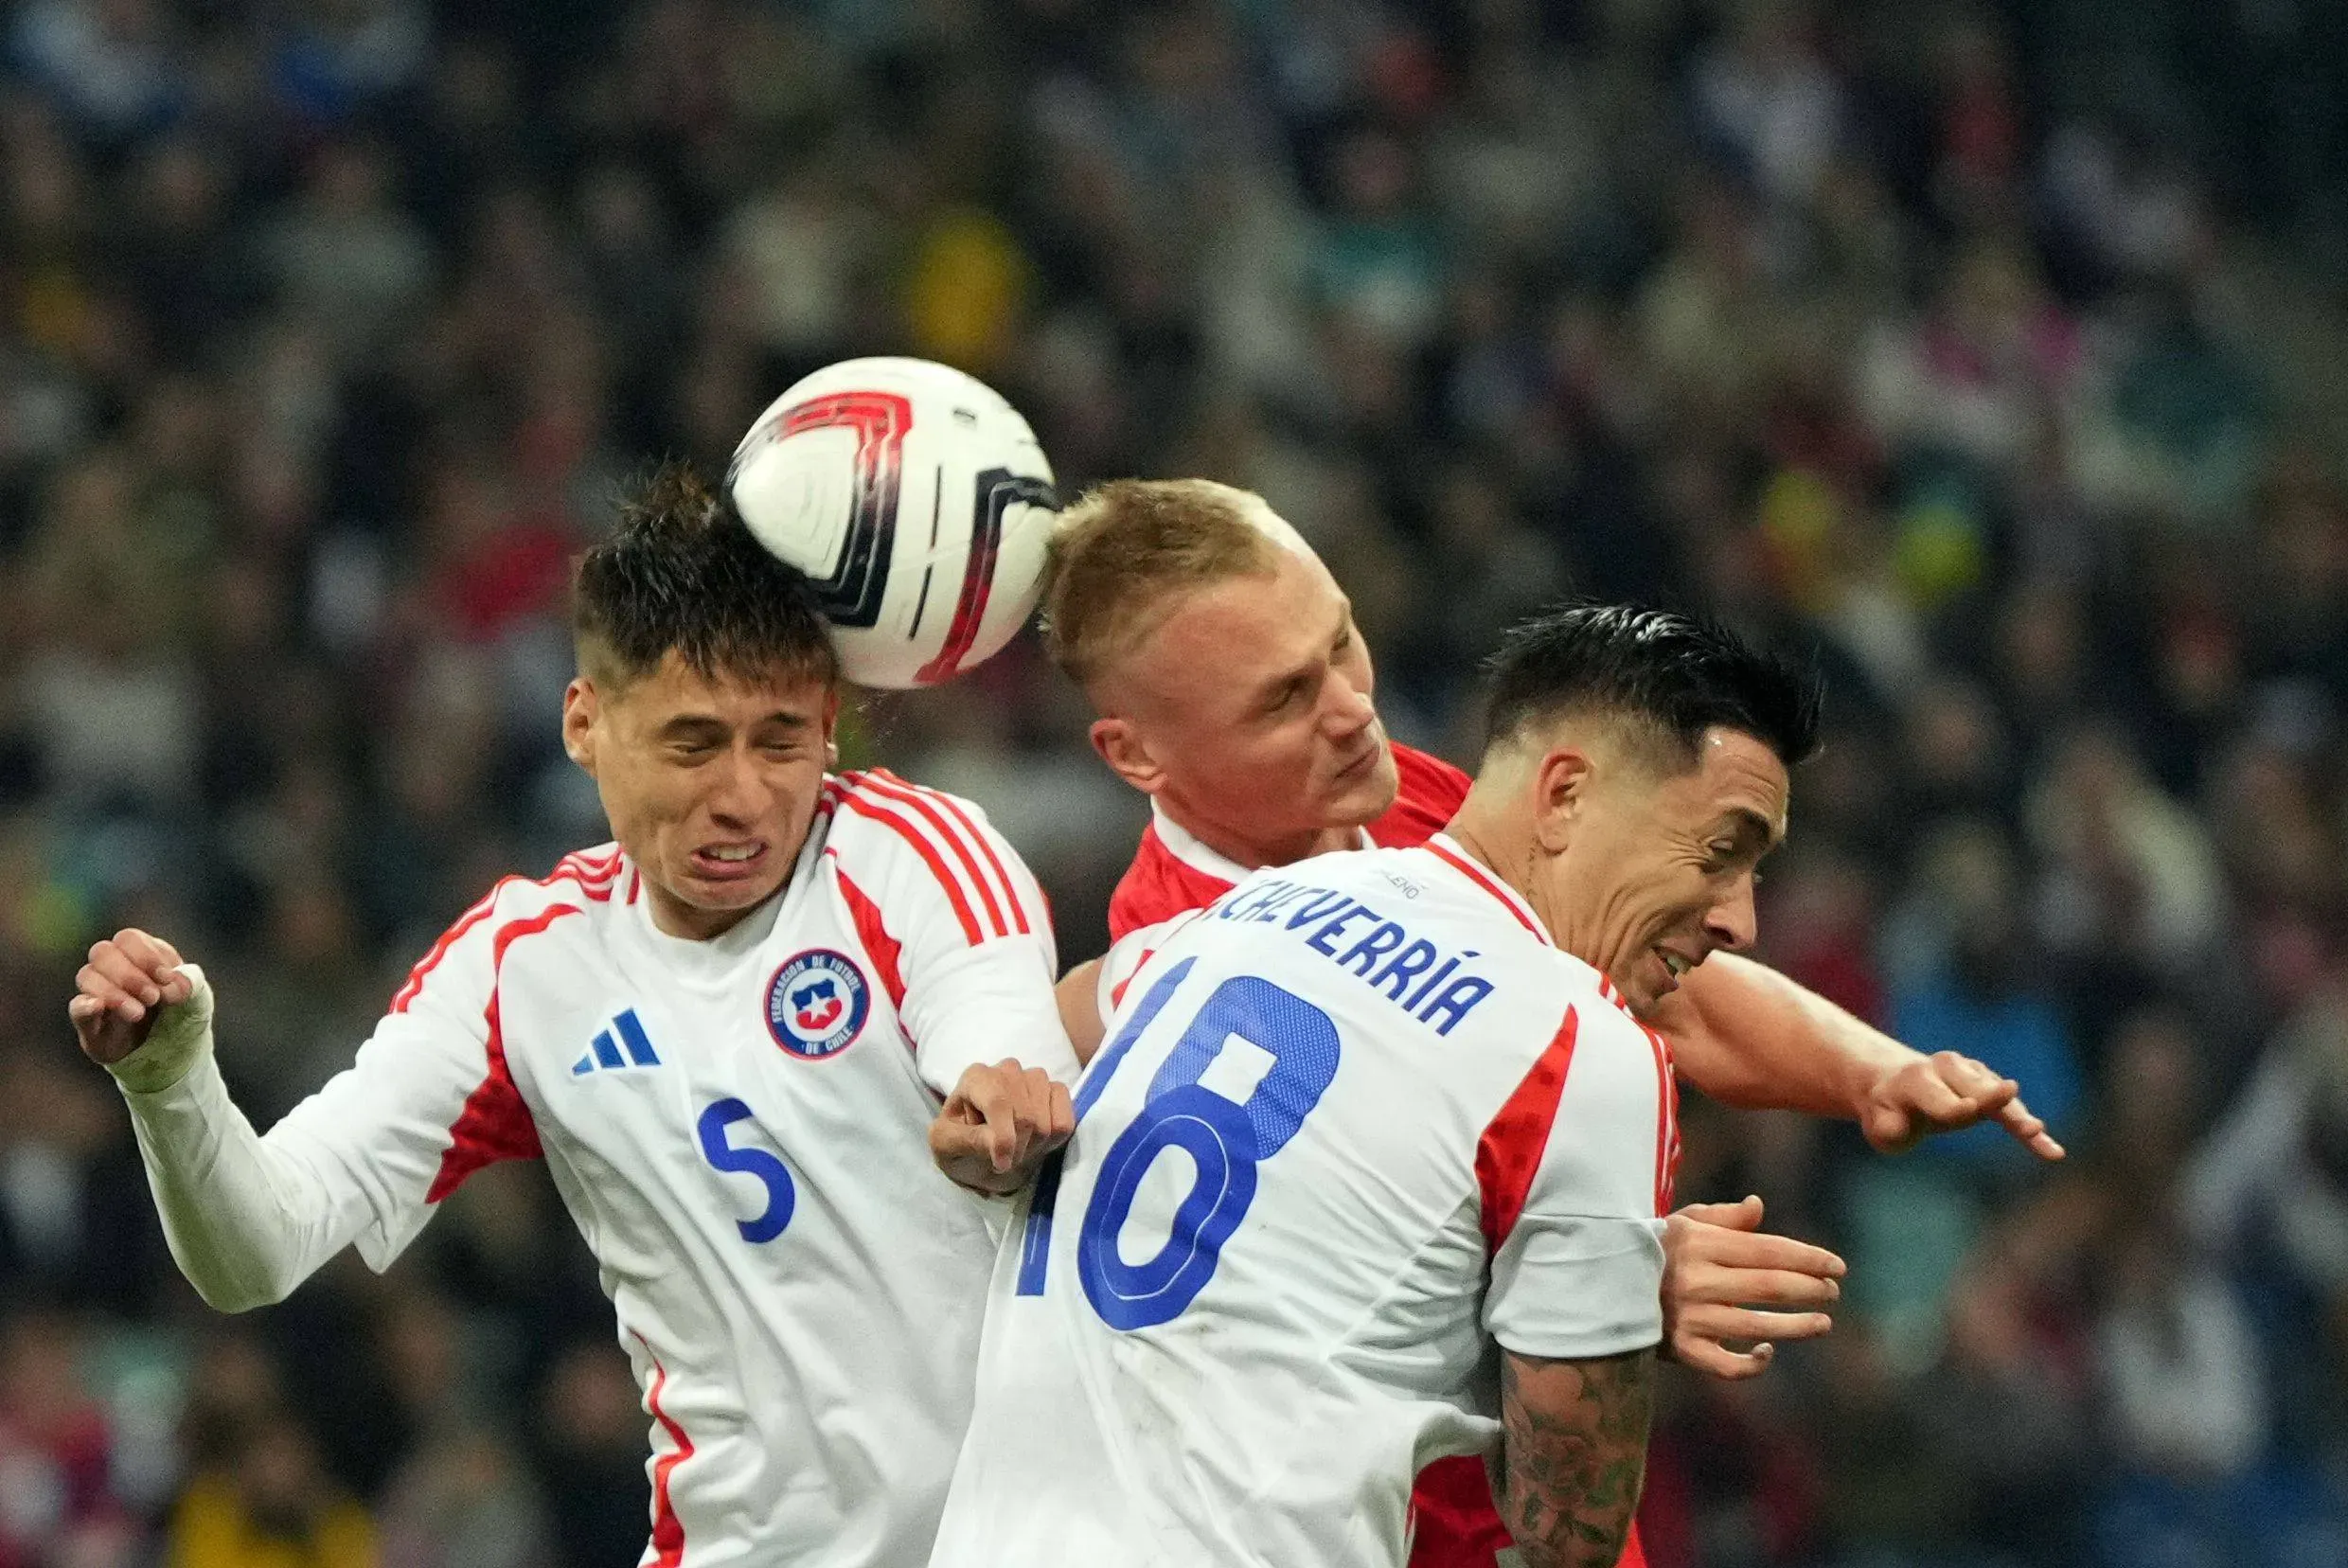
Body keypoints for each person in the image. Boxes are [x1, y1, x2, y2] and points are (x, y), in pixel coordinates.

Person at [1028, 477, 2063, 1568]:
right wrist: (1600, 1280)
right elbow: (1290, 1283)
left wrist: (1870, 1074)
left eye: (1341, 642)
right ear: (1134, 755)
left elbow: (1646, 983)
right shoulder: (1167, 963)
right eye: (1283, 699)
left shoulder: (1390, 806)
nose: (1349, 708)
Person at [68, 463, 1077, 1567]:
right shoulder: (521, 969)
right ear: (585, 724)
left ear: (830, 726)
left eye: (781, 741)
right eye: (691, 743)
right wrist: (171, 1083)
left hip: (1021, 1538)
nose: (741, 795)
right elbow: (255, 1252)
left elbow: (998, 1034)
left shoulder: (914, 856)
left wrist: (1001, 1104)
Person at [931, 603, 1821, 1568]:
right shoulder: (1581, 1047)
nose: (1738, 921)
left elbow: (1069, 1011)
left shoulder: (1246, 910)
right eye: (1721, 851)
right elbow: (1567, 1534)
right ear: (1563, 794)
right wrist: (1605, 1302)